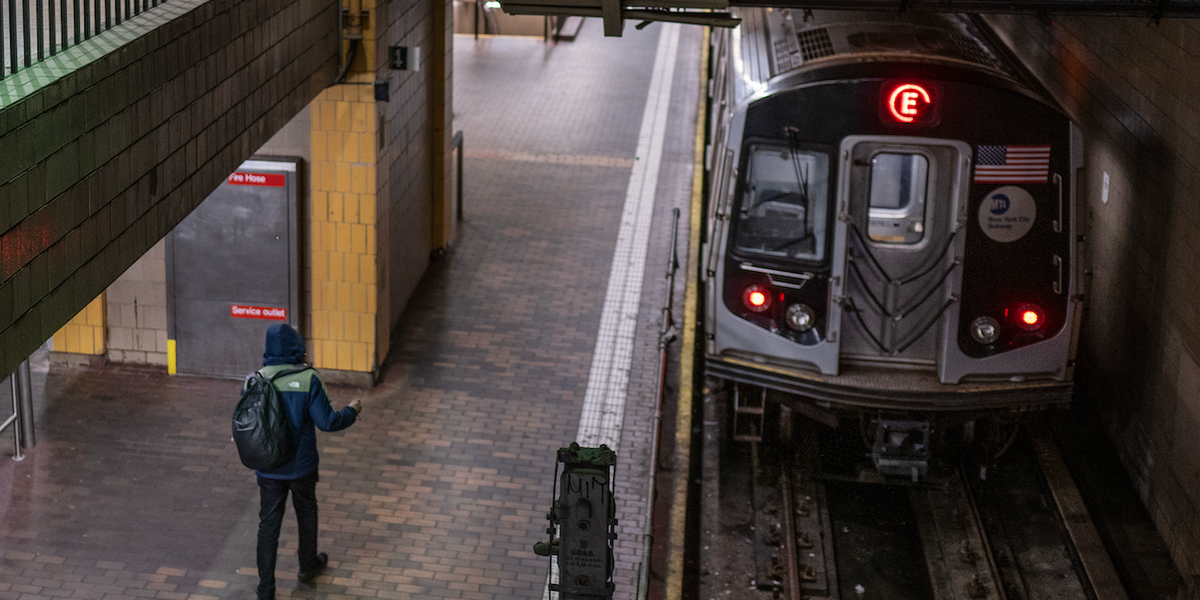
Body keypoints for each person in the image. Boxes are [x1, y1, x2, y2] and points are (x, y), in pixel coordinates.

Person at [252, 323, 362, 600]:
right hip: (301, 467)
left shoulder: (255, 379)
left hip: (268, 466)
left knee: (268, 526)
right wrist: (352, 410)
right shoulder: (307, 378)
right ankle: (307, 567)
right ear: (296, 347)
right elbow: (327, 422)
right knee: (306, 514)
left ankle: (265, 590)